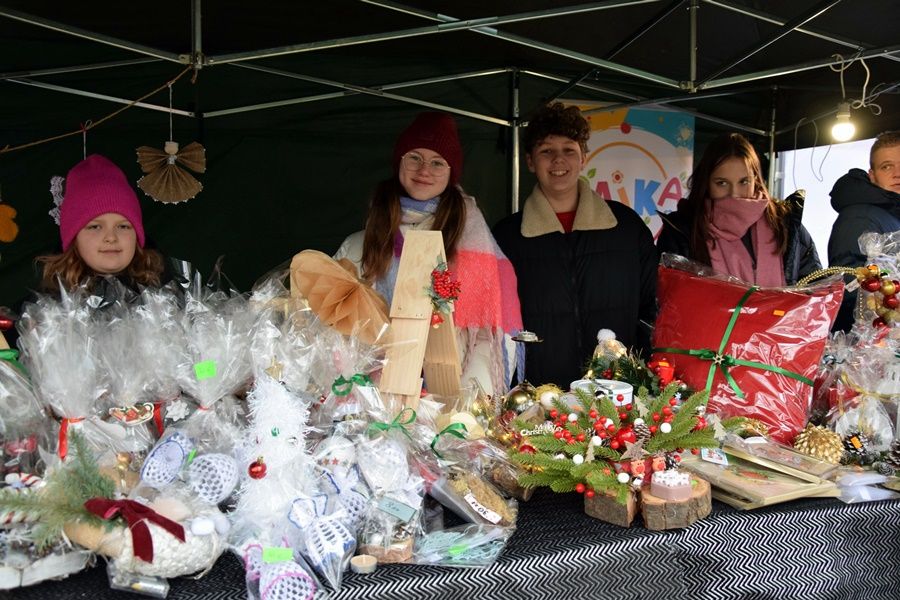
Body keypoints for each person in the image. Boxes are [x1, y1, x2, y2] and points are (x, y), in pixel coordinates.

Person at [334, 112, 523, 396]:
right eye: (415, 157)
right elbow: (334, 329)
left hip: (450, 400)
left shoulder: (475, 244)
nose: (424, 170)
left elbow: (489, 336)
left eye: (437, 162)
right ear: (399, 161)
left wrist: (466, 407)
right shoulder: (356, 246)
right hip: (374, 400)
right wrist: (356, 393)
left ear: (451, 172)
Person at [492, 102, 657, 389]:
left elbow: (652, 307)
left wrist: (640, 372)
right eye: (546, 151)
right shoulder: (506, 237)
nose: (558, 160)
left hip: (619, 392)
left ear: (583, 158)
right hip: (539, 398)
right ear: (530, 161)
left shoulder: (626, 228)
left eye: (569, 149)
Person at [657, 132, 820, 287]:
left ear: (756, 180)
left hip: (784, 318)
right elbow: (668, 299)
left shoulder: (785, 224)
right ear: (705, 182)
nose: (734, 194)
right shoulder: (682, 230)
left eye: (744, 182)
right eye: (721, 183)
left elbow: (815, 289)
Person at [37, 154, 165, 298]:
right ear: (74, 238)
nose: (111, 237)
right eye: (95, 227)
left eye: (123, 227)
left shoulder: (169, 298)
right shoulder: (43, 311)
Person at [828, 131, 900, 331]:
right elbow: (850, 287)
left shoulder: (892, 215)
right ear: (872, 176)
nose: (897, 173)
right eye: (887, 166)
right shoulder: (860, 216)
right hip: (870, 348)